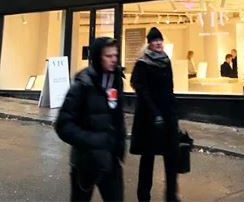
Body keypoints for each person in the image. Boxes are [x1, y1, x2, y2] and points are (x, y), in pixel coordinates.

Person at [55, 37, 126, 202]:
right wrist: (93, 141)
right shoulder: (82, 85)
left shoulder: (116, 80)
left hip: (111, 161)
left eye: (115, 55)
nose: (113, 59)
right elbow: (63, 125)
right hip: (86, 162)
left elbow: (117, 116)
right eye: (108, 56)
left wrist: (119, 143)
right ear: (97, 57)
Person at [130, 27, 180, 202]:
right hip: (149, 118)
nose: (158, 43)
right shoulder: (142, 63)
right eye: (154, 40)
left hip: (167, 116)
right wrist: (154, 113)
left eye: (160, 40)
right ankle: (143, 197)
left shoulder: (166, 61)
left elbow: (170, 88)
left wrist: (173, 112)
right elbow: (141, 89)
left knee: (171, 156)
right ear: (149, 44)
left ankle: (171, 196)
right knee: (148, 158)